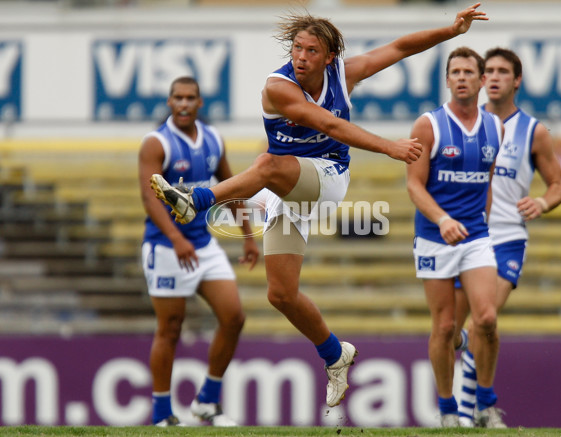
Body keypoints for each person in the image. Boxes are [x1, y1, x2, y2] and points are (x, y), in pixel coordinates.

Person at [149, 4, 488, 408]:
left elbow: (398, 48)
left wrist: (451, 31)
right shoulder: (278, 87)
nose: (301, 57)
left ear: (329, 57)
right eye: (297, 48)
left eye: (312, 51)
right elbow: (326, 123)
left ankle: (198, 200)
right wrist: (389, 146)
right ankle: (334, 355)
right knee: (280, 294)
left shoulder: (342, 75)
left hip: (327, 177)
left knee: (266, 164)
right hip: (288, 186)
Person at [453, 47, 561, 427]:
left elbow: (558, 185)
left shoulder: (533, 131)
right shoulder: (462, 124)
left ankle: (464, 415)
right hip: (467, 234)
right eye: (491, 71)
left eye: (504, 71)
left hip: (507, 237)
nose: (495, 77)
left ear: (517, 80)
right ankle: (486, 402)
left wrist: (542, 202)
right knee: (460, 330)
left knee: (482, 320)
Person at [138, 76, 259, 427]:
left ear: (200, 102)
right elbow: (150, 198)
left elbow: (231, 188)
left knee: (234, 316)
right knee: (170, 328)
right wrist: (176, 239)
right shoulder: (156, 143)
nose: (184, 103)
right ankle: (162, 413)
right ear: (169, 102)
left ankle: (207, 400)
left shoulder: (213, 139)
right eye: (178, 97)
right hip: (166, 248)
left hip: (203, 245)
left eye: (191, 97)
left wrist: (248, 237)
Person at [406, 46, 504, 428]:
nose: (461, 77)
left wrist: (484, 222)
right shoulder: (428, 125)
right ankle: (447, 410)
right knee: (445, 327)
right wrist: (443, 219)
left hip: (475, 235)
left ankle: (485, 404)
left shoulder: (495, 126)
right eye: (455, 71)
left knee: (488, 319)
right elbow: (414, 186)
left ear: (482, 81)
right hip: (434, 236)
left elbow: (488, 180)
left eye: (468, 71)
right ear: (446, 79)